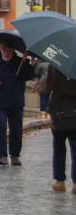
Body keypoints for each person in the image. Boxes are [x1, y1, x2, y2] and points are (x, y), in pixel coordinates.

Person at [0, 41, 36, 166]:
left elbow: (30, 75)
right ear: (0, 50)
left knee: (16, 130)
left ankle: (15, 155)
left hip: (16, 101)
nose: (6, 53)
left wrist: (25, 62)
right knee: (1, 127)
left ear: (13, 50)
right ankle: (2, 155)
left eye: (9, 51)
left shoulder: (20, 62)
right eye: (4, 51)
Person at [42, 65, 76, 193]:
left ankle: (59, 181)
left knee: (58, 147)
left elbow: (48, 87)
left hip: (58, 110)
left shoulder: (56, 64)